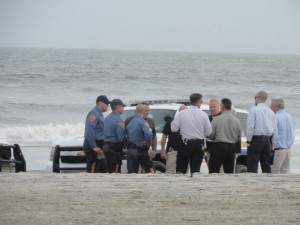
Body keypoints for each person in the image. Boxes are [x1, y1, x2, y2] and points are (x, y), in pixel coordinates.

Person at [171, 93, 212, 174]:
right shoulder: (204, 115)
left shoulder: (182, 113)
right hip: (198, 144)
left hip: (185, 143)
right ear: (199, 102)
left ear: (190, 101)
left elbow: (173, 129)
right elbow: (208, 132)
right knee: (196, 170)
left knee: (181, 169)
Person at [246, 91, 277, 173]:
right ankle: (267, 183)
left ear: (259, 97)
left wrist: (248, 140)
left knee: (252, 165)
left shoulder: (253, 110)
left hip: (256, 140)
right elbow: (275, 130)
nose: (255, 99)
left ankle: (252, 183)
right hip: (267, 141)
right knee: (266, 165)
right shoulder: (271, 112)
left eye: (255, 97)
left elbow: (250, 127)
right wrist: (273, 144)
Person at [209, 98, 242, 173]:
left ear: (222, 107)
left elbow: (211, 135)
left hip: (218, 146)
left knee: (213, 171)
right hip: (231, 147)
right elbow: (239, 137)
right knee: (229, 171)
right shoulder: (237, 121)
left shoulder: (216, 119)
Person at [83, 95, 110, 173]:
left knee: (102, 168)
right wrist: (93, 146)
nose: (108, 105)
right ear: (100, 103)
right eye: (106, 103)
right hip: (93, 146)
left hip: (99, 145)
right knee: (92, 170)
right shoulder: (94, 113)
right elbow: (89, 130)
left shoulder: (100, 114)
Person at [126, 104, 154, 173]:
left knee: (132, 172)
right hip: (140, 150)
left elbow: (125, 135)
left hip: (130, 151)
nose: (147, 112)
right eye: (146, 111)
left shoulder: (130, 122)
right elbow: (149, 134)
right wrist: (147, 142)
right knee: (150, 170)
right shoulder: (143, 122)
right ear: (143, 111)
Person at [270, 97, 295, 173]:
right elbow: (292, 132)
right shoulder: (290, 116)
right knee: (285, 173)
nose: (270, 107)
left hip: (278, 149)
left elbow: (274, 133)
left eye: (271, 105)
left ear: (275, 106)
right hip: (287, 149)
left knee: (275, 172)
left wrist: (272, 145)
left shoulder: (275, 117)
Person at [161, 105, 188, 173]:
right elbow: (164, 136)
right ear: (179, 112)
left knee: (184, 173)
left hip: (185, 151)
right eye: (182, 112)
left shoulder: (190, 123)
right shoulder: (170, 122)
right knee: (170, 172)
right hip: (173, 151)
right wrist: (163, 150)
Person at [103, 99, 126, 173]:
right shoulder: (119, 120)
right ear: (118, 107)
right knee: (116, 171)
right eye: (122, 107)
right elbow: (121, 138)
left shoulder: (106, 119)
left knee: (109, 169)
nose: (123, 108)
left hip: (106, 146)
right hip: (115, 148)